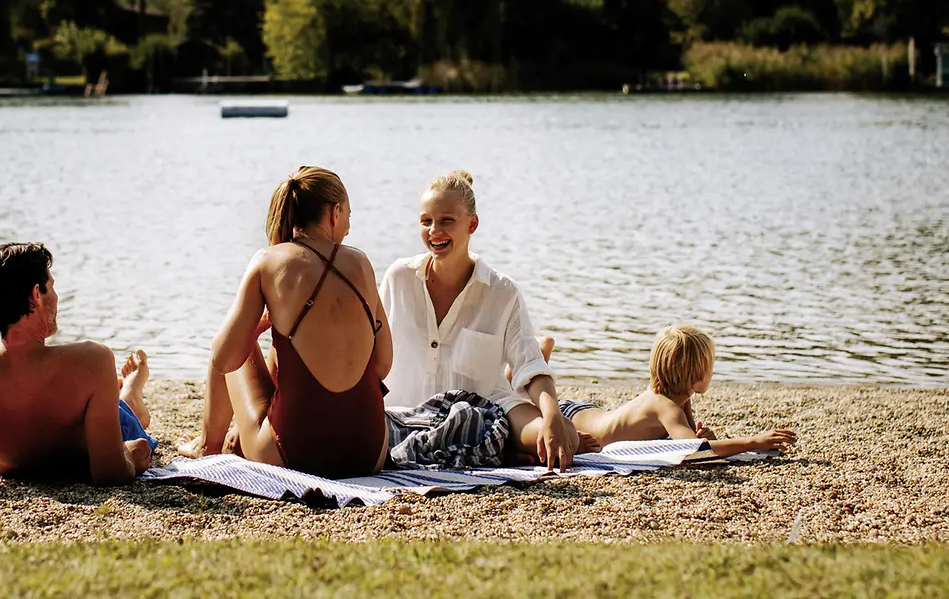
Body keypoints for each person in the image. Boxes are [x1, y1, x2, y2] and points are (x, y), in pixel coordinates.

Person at [178, 166, 395, 479]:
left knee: (233, 342)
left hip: (293, 456)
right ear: (335, 213)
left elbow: (224, 359)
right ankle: (239, 437)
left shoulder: (268, 260)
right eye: (349, 214)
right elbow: (383, 365)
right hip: (369, 453)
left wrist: (254, 330)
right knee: (286, 346)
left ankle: (208, 447)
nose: (348, 225)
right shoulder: (361, 262)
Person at [0, 242, 155, 488]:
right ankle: (131, 395)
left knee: (110, 399)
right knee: (126, 412)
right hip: (90, 437)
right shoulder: (93, 360)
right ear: (36, 295)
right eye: (52, 286)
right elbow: (110, 474)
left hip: (7, 455)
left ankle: (127, 391)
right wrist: (130, 457)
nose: (56, 296)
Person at [379, 170, 584, 471]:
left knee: (560, 436)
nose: (435, 230)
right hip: (404, 415)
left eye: (447, 220)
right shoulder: (399, 277)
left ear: (472, 224)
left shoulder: (502, 291)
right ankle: (504, 452)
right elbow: (369, 350)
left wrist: (552, 413)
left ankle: (524, 439)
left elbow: (530, 364)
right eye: (426, 221)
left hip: (485, 415)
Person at [556, 324, 796, 456]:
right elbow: (694, 452)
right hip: (569, 418)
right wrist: (752, 441)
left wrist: (702, 437)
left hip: (586, 412)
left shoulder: (677, 399)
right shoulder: (667, 407)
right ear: (696, 376)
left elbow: (690, 439)